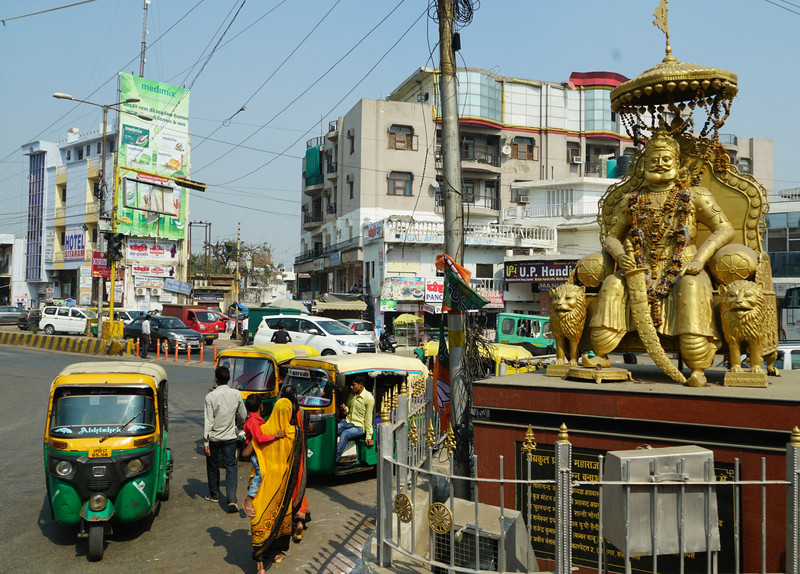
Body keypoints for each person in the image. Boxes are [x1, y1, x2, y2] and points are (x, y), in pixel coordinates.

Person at [585, 130, 735, 387]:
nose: (660, 164)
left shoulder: (696, 196)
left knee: (690, 286)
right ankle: (600, 354)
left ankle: (697, 365)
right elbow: (611, 237)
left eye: (666, 159)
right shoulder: (631, 200)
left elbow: (725, 229)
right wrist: (621, 256)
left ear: (678, 164)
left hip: (683, 265)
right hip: (638, 266)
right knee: (612, 284)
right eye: (653, 159)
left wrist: (699, 259)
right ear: (643, 164)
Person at [249, 398, 303, 572]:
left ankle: (260, 563)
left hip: (264, 485)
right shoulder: (294, 433)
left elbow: (246, 452)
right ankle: (278, 552)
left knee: (260, 520)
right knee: (281, 519)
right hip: (282, 486)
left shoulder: (263, 430)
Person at [203, 366, 247, 513]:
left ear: (216, 379)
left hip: (214, 438)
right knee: (231, 467)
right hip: (229, 437)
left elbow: (208, 421)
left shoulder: (210, 397)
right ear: (229, 379)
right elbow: (242, 414)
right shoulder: (236, 394)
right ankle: (232, 499)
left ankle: (214, 494)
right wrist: (240, 425)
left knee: (212, 466)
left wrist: (205, 441)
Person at [241, 394, 286, 518]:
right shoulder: (253, 421)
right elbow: (259, 438)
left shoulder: (256, 420)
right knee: (261, 472)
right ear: (261, 406)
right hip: (254, 452)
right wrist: (276, 436)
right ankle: (249, 498)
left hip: (258, 451)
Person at [279, 385, 310, 543]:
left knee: (288, 487)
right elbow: (309, 428)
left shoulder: (282, 412)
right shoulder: (303, 412)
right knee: (299, 484)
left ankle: (291, 520)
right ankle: (300, 520)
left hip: (287, 455)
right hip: (301, 453)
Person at [336, 375, 375, 463]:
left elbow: (368, 418)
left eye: (353, 385)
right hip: (347, 422)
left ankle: (335, 458)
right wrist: (345, 409)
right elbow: (348, 410)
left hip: (359, 427)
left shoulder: (369, 398)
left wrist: (369, 436)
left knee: (345, 434)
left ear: (360, 384)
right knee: (334, 430)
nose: (351, 387)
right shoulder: (352, 394)